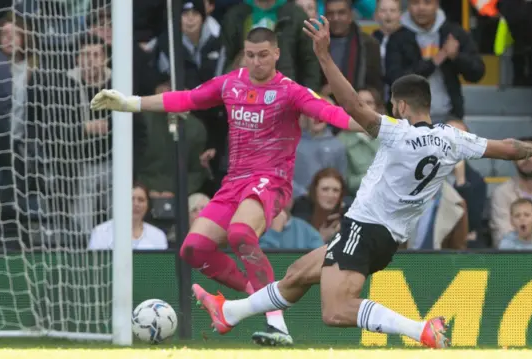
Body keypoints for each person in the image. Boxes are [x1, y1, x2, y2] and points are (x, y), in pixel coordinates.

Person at [191, 16, 532, 349]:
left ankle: (421, 330)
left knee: (335, 311)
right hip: (387, 236)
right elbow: (506, 148)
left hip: (364, 227)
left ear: (399, 106)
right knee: (297, 274)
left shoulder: (398, 132)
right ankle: (230, 313)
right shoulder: (454, 138)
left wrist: (324, 56)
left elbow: (351, 104)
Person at [90, 27, 363, 346]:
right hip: (233, 183)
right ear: (243, 54)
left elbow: (332, 114)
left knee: (239, 234)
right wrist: (130, 102)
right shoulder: (230, 83)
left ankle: (277, 325)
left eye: (263, 55)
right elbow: (186, 98)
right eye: (250, 55)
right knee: (193, 249)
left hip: (270, 180)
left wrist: (378, 126)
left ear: (275, 54)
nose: (256, 62)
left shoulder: (290, 90)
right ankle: (248, 301)